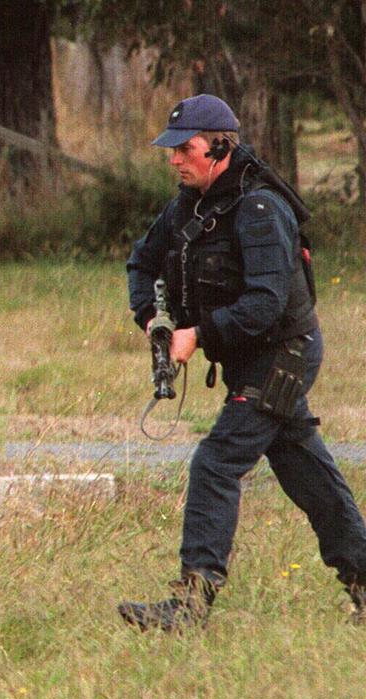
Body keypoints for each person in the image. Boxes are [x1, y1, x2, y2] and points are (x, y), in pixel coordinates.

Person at [120, 94, 366, 631]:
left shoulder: (259, 209)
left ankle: (190, 604)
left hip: (283, 356)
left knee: (216, 462)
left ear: (221, 148)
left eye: (186, 149)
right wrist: (153, 321)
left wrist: (198, 334)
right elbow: (142, 261)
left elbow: (266, 303)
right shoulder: (191, 202)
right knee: (308, 476)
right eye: (172, 149)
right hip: (251, 359)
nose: (175, 159)